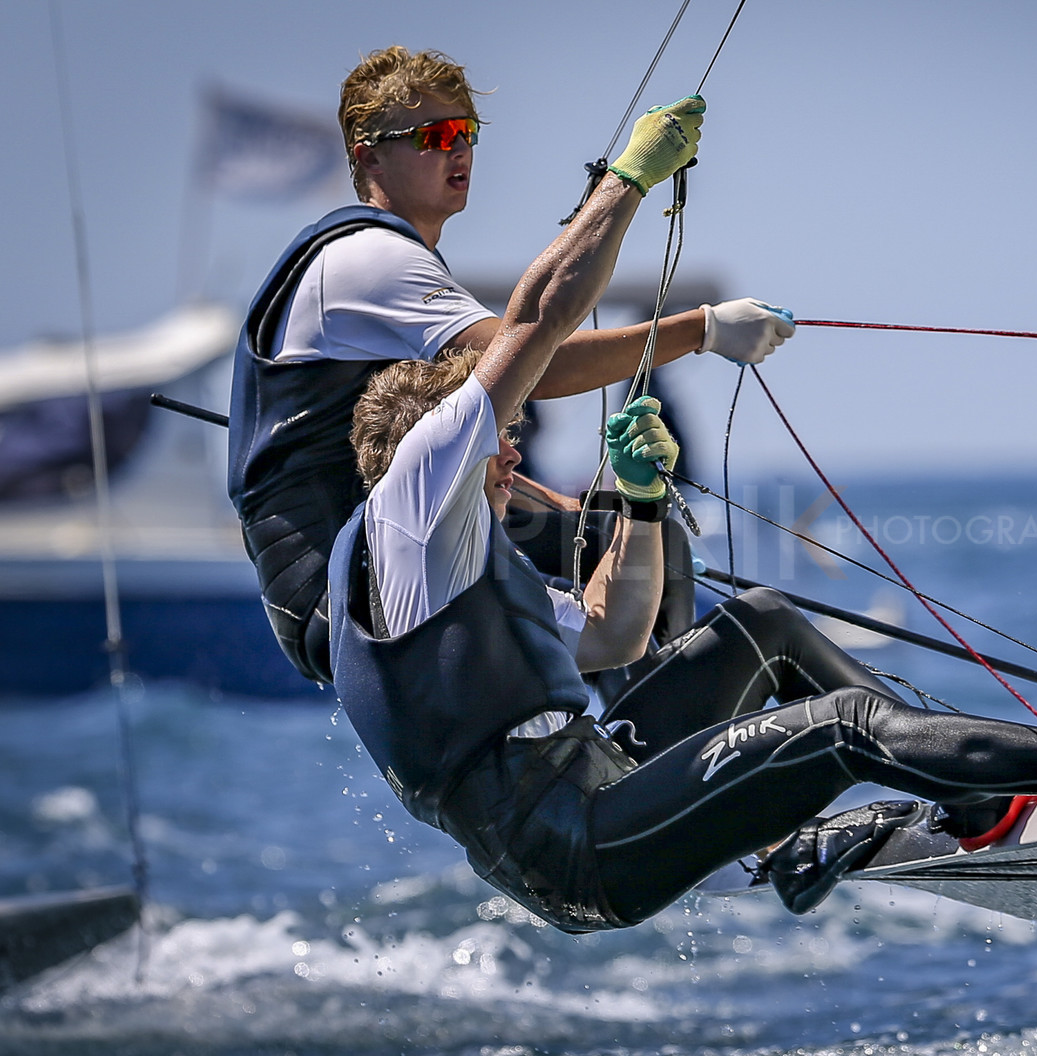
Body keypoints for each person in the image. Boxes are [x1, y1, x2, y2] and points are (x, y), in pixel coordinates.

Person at [328, 340, 1037, 930]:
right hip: (572, 844)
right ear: (435, 456)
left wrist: (644, 500)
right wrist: (623, 187)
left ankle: (973, 803)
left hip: (593, 782)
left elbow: (620, 636)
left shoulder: (466, 572)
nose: (516, 446)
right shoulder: (410, 523)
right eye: (498, 432)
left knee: (764, 622)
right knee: (844, 726)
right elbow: (530, 326)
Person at [227, 46, 794, 685]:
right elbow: (532, 365)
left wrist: (540, 499)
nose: (458, 151)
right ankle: (667, 737)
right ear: (368, 155)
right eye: (434, 137)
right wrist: (702, 329)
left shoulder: (385, 262)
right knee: (635, 542)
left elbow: (419, 450)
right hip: (338, 594)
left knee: (630, 532)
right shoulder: (367, 260)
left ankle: (635, 732)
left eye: (466, 134)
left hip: (368, 566)